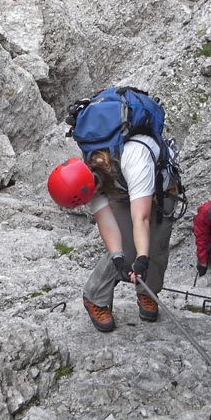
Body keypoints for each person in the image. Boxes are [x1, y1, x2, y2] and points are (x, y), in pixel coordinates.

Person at [47, 135, 175, 332]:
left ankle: (148, 290)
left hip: (162, 186)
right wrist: (118, 257)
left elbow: (141, 218)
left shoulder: (135, 158)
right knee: (126, 247)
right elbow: (106, 223)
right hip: (120, 189)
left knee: (155, 245)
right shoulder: (87, 180)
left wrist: (142, 258)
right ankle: (95, 297)